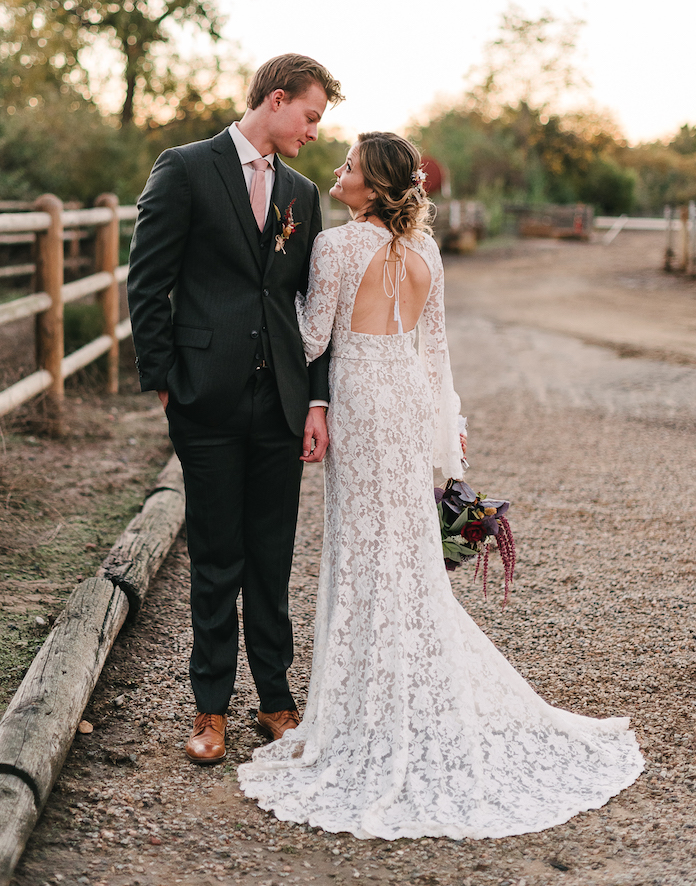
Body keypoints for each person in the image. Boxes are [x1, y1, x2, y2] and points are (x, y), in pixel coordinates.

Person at [237, 132, 644, 839]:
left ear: (373, 183)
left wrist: (270, 291)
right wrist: (446, 436)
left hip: (362, 399)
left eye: (351, 166)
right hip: (408, 395)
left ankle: (365, 702)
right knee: (409, 546)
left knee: (361, 544)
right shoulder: (427, 252)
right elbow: (437, 348)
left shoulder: (334, 247)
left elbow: (310, 340)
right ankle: (408, 686)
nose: (340, 172)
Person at [127, 53, 343, 765]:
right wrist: (166, 382)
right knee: (217, 555)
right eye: (309, 116)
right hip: (205, 401)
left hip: (280, 401)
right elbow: (148, 280)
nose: (313, 132)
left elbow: (312, 306)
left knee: (272, 556)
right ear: (275, 100)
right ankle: (210, 707)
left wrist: (316, 397)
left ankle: (276, 700)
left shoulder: (304, 194)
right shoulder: (185, 167)